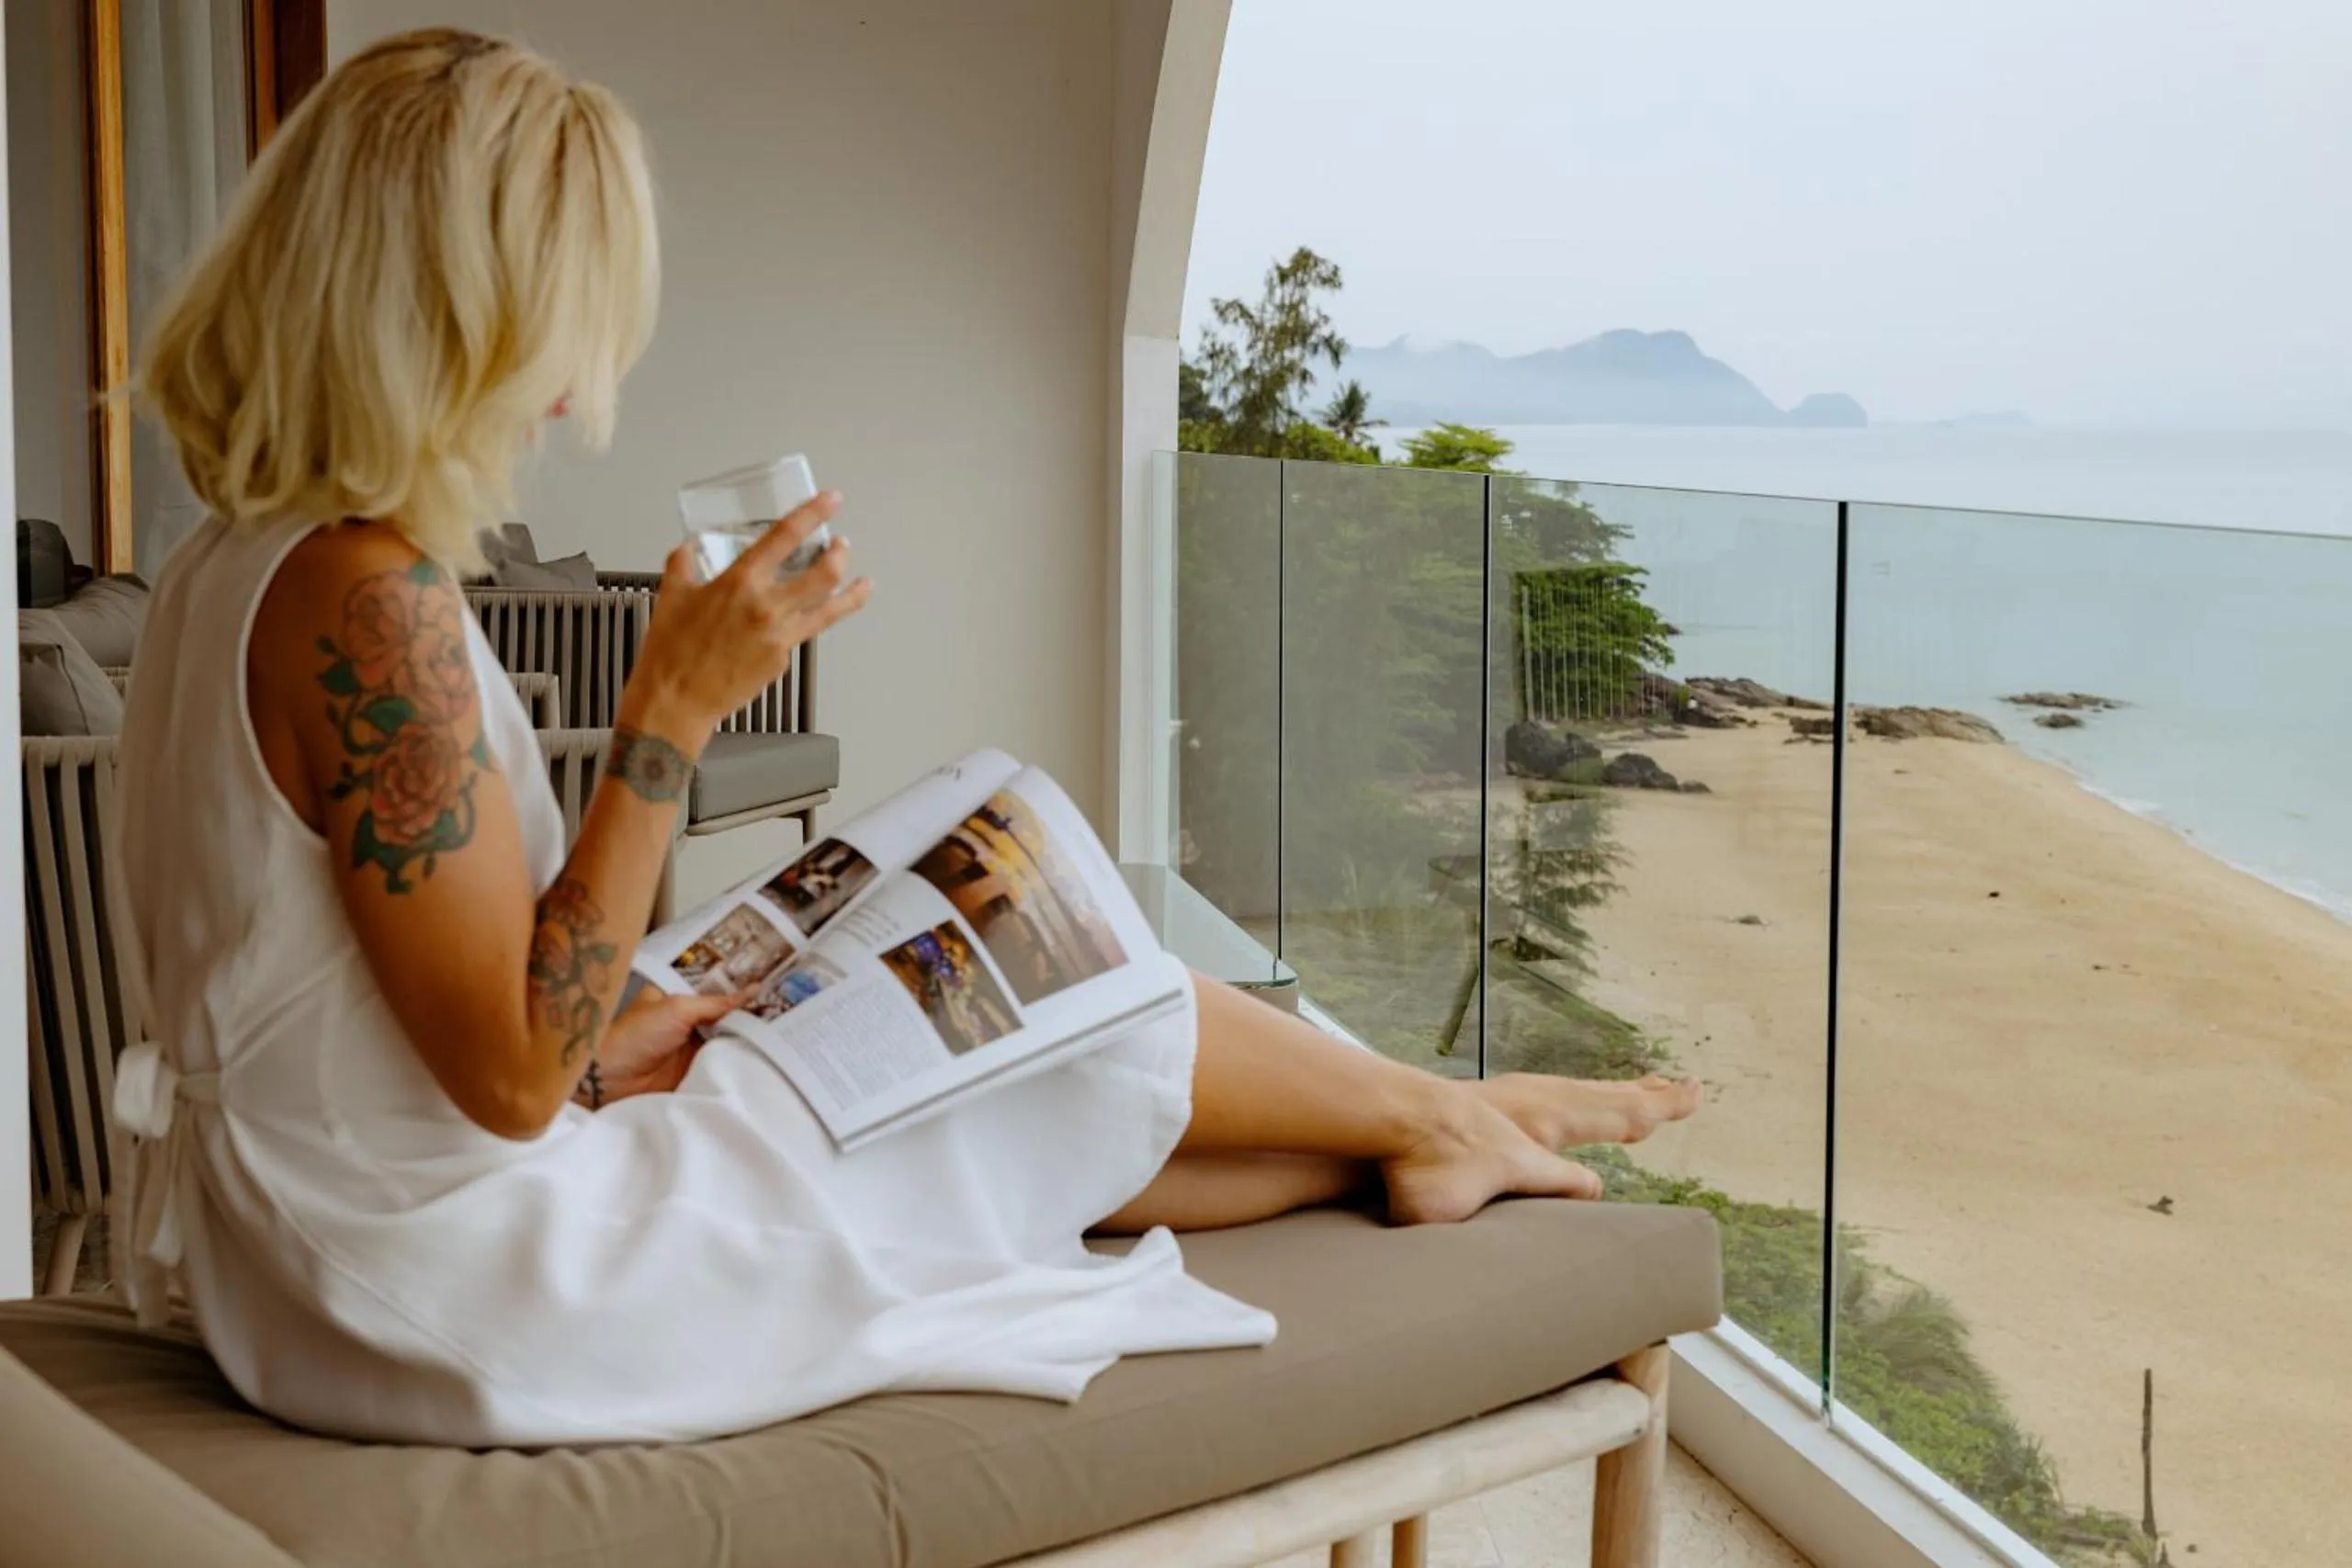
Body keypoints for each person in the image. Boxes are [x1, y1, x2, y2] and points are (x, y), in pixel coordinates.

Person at [115, 28, 1700, 1448]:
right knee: (1003, 1036)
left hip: (339, 1234)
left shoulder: (235, 561)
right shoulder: (365, 604)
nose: (580, 386)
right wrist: (670, 710)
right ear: (453, 315)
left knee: (992, 1044)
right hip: (462, 1274)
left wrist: (623, 1042)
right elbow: (510, 1078)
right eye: (565, 327)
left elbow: (360, 1006)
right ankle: (1438, 1115)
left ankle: (1419, 1134)